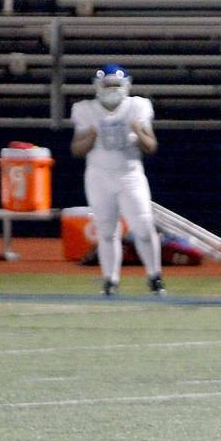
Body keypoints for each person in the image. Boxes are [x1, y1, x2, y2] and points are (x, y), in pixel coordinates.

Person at [70, 64, 164, 296]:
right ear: (97, 86)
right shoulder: (85, 109)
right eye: (107, 85)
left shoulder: (137, 107)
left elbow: (151, 146)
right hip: (98, 175)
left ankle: (155, 277)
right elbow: (77, 150)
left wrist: (139, 131)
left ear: (126, 85)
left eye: (116, 85)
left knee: (143, 226)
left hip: (129, 174)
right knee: (106, 231)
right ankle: (110, 280)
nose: (112, 89)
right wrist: (91, 137)